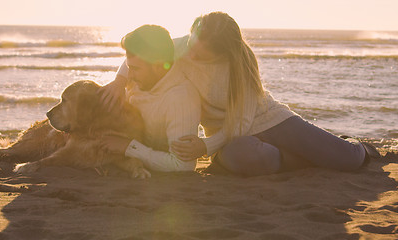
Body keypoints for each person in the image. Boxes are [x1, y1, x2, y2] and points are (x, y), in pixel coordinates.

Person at [103, 12, 375, 177]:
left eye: (201, 53)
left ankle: (358, 146)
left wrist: (205, 146)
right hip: (230, 135)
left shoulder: (241, 68)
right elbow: (141, 55)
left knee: (347, 161)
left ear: (223, 53)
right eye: (193, 44)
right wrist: (118, 81)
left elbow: (241, 124)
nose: (191, 54)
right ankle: (302, 158)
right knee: (239, 158)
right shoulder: (184, 45)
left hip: (267, 120)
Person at [99, 25, 201, 172]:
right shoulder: (143, 80)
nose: (130, 76)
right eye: (129, 68)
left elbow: (182, 165)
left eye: (136, 69)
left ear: (159, 66)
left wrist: (128, 147)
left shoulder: (180, 99)